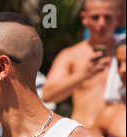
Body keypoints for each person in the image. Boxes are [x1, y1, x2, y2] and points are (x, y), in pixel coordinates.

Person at [42, 0, 120, 129]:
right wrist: (82, 75)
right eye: (95, 17)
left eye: (107, 17)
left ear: (117, 18)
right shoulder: (70, 55)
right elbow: (48, 95)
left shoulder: (123, 52)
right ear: (84, 18)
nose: (102, 23)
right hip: (84, 136)